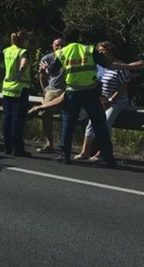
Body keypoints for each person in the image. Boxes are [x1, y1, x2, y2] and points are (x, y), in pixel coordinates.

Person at [47, 28, 144, 166]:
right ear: (79, 37)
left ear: (65, 39)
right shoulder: (89, 50)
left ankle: (66, 155)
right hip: (90, 92)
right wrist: (129, 66)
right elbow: (109, 65)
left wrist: (46, 68)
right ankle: (109, 158)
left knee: (68, 124)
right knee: (100, 125)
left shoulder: (62, 52)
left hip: (72, 92)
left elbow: (53, 70)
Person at [76, 41, 134, 161]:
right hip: (103, 99)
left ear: (110, 51)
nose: (101, 53)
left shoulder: (120, 66)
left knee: (106, 121)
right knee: (92, 122)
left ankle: (102, 152)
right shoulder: (100, 66)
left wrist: (111, 99)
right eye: (99, 51)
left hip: (118, 99)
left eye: (103, 50)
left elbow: (124, 86)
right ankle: (85, 151)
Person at [0, 30, 32, 157]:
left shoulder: (7, 50)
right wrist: (20, 72)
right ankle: (17, 148)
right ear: (24, 40)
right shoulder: (23, 51)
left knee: (7, 118)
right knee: (18, 119)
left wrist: (5, 67)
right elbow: (23, 65)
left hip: (7, 88)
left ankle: (7, 147)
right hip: (20, 88)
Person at [34, 37, 64, 153]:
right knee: (46, 113)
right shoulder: (47, 58)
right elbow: (42, 75)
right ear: (52, 46)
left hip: (66, 89)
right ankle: (49, 144)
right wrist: (44, 89)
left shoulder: (68, 56)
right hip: (52, 89)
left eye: (61, 45)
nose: (59, 47)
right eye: (57, 45)